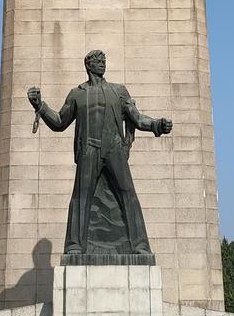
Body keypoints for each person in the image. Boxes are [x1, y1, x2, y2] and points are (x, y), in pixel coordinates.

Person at [27, 48, 172, 258]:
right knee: (81, 196)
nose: (102, 63)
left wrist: (158, 125)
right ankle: (75, 245)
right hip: (89, 149)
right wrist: (40, 106)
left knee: (128, 194)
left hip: (114, 148)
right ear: (88, 65)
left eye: (103, 60)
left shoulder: (118, 91)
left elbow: (138, 119)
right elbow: (59, 122)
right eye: (97, 60)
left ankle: (140, 245)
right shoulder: (77, 94)